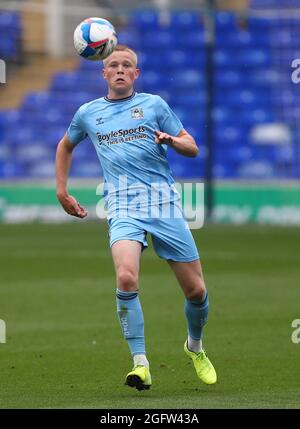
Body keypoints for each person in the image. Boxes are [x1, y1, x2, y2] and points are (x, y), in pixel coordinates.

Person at [56, 45, 217, 390]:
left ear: (136, 74)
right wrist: (62, 190)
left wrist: (172, 140)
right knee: (126, 278)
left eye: (126, 65)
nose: (119, 69)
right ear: (103, 73)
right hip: (123, 208)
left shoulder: (154, 105)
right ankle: (140, 363)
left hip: (164, 206)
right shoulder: (88, 113)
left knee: (196, 291)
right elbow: (65, 145)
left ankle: (195, 346)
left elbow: (192, 147)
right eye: (113, 64)